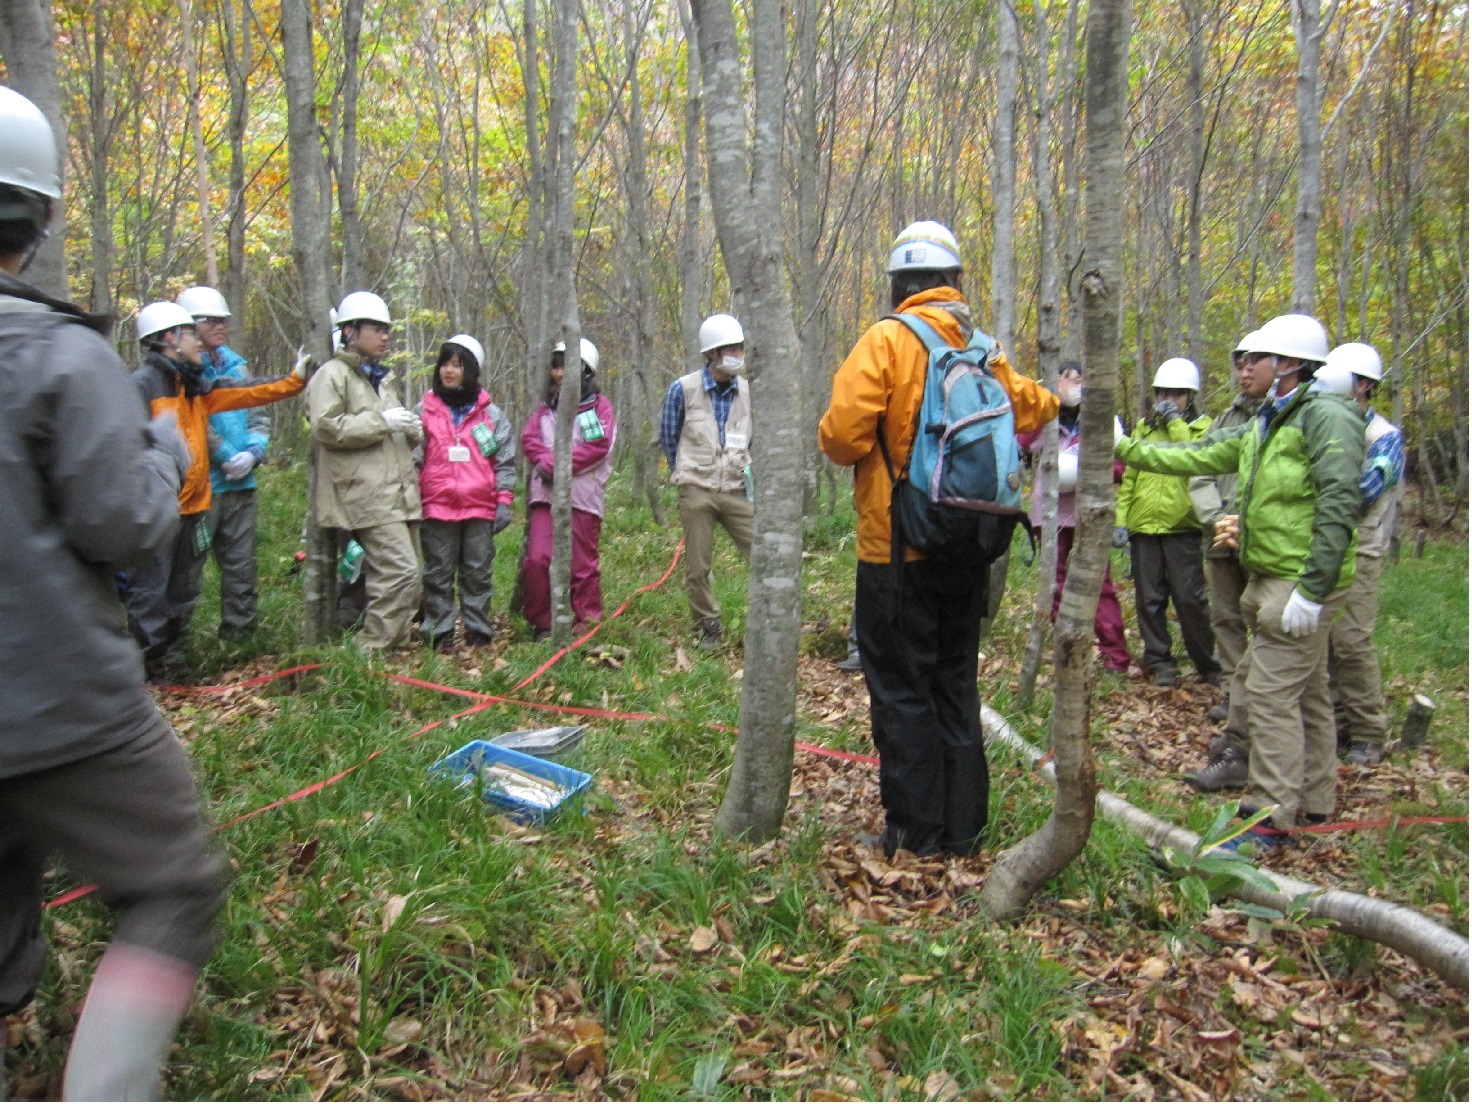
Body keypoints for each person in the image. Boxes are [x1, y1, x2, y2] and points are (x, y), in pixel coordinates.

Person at [0, 84, 225, 1101]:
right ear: (42, 214)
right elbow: (127, 525)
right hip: (62, 705)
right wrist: (154, 451)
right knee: (176, 885)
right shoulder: (59, 355)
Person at [819, 220, 1058, 859]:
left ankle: (914, 833)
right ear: (954, 281)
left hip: (896, 548)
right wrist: (1063, 397)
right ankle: (963, 829)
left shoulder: (886, 340)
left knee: (901, 691)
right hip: (969, 542)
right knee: (956, 683)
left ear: (899, 284)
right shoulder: (982, 348)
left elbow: (841, 438)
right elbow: (1031, 406)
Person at [1116, 314, 1365, 847]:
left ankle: (1269, 817)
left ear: (1289, 363)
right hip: (1270, 574)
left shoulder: (1325, 416)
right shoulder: (1270, 419)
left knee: (1268, 693)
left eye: (1257, 358)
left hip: (1298, 580)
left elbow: (1340, 502)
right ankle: (1315, 801)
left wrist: (1312, 589)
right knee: (1308, 693)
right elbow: (1198, 454)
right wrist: (1124, 447)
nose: (1245, 366)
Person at [126, 301, 307, 677]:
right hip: (159, 510)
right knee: (150, 591)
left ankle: (172, 657)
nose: (197, 341)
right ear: (169, 339)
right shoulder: (142, 386)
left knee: (184, 588)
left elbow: (247, 393)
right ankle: (149, 665)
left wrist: (295, 379)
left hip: (194, 507)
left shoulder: (194, 386)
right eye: (190, 334)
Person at [1183, 331, 1277, 790]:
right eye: (1239, 364)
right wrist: (1216, 517)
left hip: (1267, 542)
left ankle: (1257, 709)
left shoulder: (1287, 417)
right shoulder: (1227, 418)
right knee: (1225, 617)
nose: (1244, 372)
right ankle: (1233, 693)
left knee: (1266, 622)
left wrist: (1250, 523)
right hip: (1222, 537)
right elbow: (1201, 470)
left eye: (1252, 363)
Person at [307, 290, 424, 652]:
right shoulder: (332, 375)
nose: (385, 336)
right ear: (350, 331)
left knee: (410, 575)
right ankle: (369, 648)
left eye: (387, 329)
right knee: (400, 571)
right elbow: (326, 427)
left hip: (398, 491)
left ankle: (395, 644)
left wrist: (410, 430)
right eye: (376, 329)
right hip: (364, 493)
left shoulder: (380, 379)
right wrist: (381, 422)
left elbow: (388, 434)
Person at [1314, 343, 1405, 766]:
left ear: (1364, 386)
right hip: (1321, 547)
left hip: (1361, 551)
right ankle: (1334, 723)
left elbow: (1365, 492)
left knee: (1351, 642)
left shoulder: (1384, 437)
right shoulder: (1326, 424)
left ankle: (1368, 731)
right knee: (1320, 644)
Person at [1017, 360, 1133, 673]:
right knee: (1056, 583)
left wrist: (1088, 466)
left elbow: (1119, 466)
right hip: (1050, 513)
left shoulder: (1102, 420)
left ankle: (1115, 656)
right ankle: (1067, 648)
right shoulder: (1047, 417)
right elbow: (1024, 439)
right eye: (1065, 378)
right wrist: (1046, 402)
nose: (1072, 384)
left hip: (1088, 514)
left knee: (1098, 583)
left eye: (1078, 379)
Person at [1114, 357, 1220, 688]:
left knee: (1190, 599)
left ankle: (1208, 663)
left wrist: (1174, 422)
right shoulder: (1145, 429)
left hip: (1183, 527)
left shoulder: (1205, 429)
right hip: (1144, 527)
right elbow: (1130, 478)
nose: (1168, 400)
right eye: (1163, 393)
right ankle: (1160, 662)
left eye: (1177, 394)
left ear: (1190, 396)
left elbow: (1192, 455)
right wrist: (1121, 521)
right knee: (1149, 599)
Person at [177, 285, 267, 640]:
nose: (220, 326)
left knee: (242, 565)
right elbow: (193, 421)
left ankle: (240, 636)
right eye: (210, 320)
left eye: (223, 320)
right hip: (201, 489)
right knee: (187, 568)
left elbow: (258, 414)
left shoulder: (237, 367)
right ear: (190, 326)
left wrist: (254, 451)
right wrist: (227, 456)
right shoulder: (182, 372)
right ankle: (175, 642)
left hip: (241, 485)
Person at [661, 313, 754, 650]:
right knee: (697, 567)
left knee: (763, 554)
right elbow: (669, 437)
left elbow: (754, 440)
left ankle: (767, 623)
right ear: (712, 353)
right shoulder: (682, 389)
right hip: (696, 489)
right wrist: (688, 473)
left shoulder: (749, 392)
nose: (737, 354)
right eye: (731, 349)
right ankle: (707, 627)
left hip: (737, 489)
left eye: (740, 348)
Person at [417, 333, 516, 651]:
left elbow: (504, 460)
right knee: (438, 571)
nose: (449, 370)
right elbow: (412, 458)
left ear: (470, 370)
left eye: (457, 365)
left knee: (477, 572)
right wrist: (410, 500)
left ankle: (478, 630)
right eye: (445, 364)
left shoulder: (491, 415)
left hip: (480, 506)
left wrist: (503, 501)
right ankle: (440, 631)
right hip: (437, 504)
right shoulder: (424, 411)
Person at [520, 338, 616, 637]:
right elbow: (529, 439)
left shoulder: (598, 408)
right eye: (556, 367)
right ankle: (542, 622)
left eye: (567, 367)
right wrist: (546, 462)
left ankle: (586, 622)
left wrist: (556, 464)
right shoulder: (545, 408)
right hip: (546, 496)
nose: (560, 373)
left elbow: (597, 447)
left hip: (583, 498)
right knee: (538, 559)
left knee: (582, 564)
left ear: (585, 370)